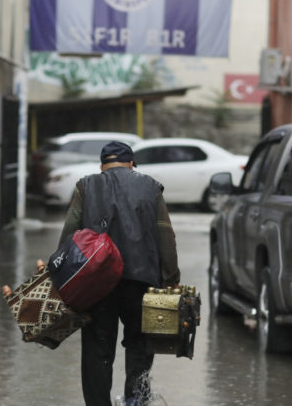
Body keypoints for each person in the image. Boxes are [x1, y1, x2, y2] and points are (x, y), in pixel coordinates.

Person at [58, 141, 180, 406]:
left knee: (97, 349)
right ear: (131, 163)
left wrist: (61, 281)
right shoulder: (150, 187)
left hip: (96, 285)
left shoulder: (86, 186)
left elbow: (69, 234)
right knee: (139, 346)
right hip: (141, 282)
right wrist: (170, 280)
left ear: (102, 166)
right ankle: (135, 401)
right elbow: (165, 236)